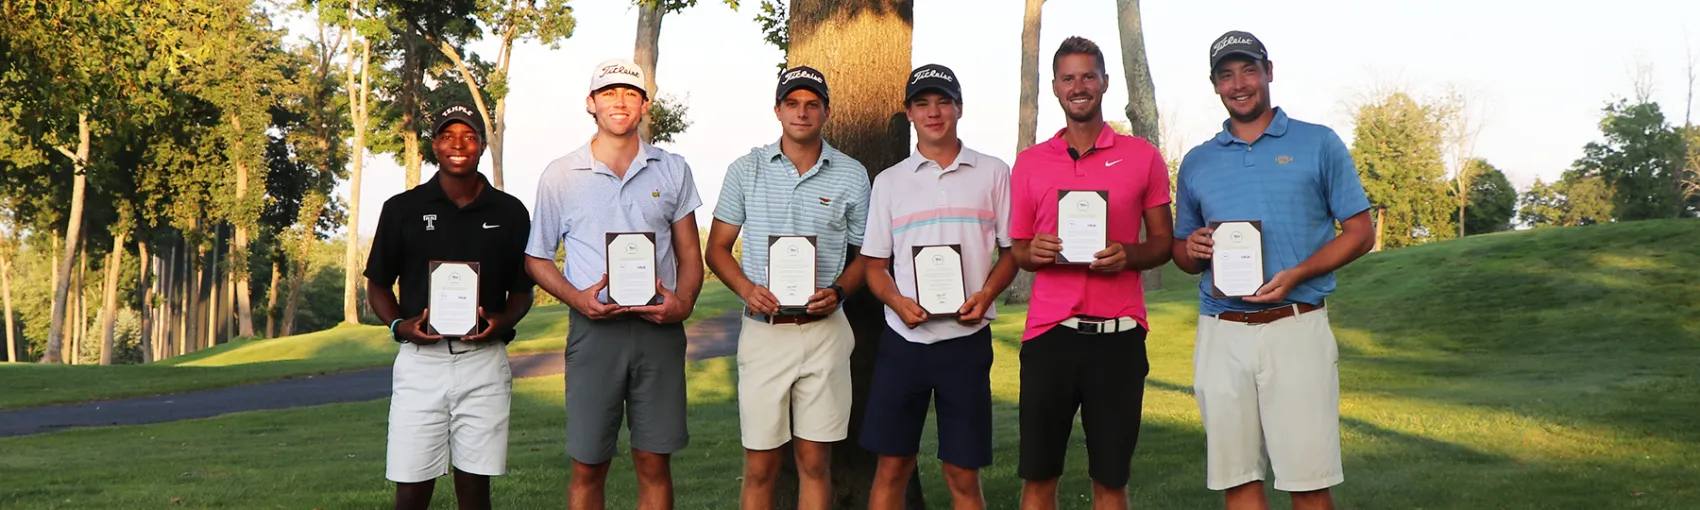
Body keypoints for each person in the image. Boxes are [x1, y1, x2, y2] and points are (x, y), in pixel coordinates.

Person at [1172, 31, 1375, 510]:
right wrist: (1194, 247)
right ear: (1214, 84)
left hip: (1295, 324)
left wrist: (1300, 271)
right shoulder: (1198, 161)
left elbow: (1360, 232)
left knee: (1308, 482)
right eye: (1227, 75)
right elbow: (1181, 253)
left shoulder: (1318, 143)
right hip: (1221, 331)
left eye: (1248, 70)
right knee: (1238, 479)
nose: (1239, 83)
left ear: (1268, 72)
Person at [524, 58, 704, 510]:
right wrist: (577, 300)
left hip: (659, 331)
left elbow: (689, 254)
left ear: (645, 104)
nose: (619, 102)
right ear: (591, 103)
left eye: (630, 93)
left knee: (653, 461)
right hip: (594, 332)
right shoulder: (561, 174)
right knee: (588, 464)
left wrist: (682, 304)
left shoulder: (673, 169)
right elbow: (536, 257)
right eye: (608, 93)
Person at [1008, 36, 1174, 510]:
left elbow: (1162, 242)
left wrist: (1130, 255)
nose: (1078, 86)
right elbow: (1017, 248)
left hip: (1118, 338)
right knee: (1038, 478)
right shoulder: (1030, 163)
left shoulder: (1141, 156)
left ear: (1104, 82)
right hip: (1049, 337)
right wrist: (1032, 251)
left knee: (1111, 481)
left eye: (1088, 76)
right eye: (1068, 78)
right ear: (1056, 89)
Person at [703, 65, 870, 510]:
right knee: (760, 466)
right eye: (792, 104)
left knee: (816, 462)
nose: (802, 112)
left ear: (826, 112)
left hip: (825, 331)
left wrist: (839, 291)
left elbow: (867, 258)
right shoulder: (745, 169)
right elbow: (717, 249)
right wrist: (746, 289)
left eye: (812, 104)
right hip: (764, 331)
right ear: (777, 110)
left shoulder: (852, 175)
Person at [857, 64, 1014, 510]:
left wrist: (987, 295)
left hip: (966, 342)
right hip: (904, 342)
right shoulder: (889, 182)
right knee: (892, 467)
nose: (934, 112)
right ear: (909, 113)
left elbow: (1012, 252)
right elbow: (873, 266)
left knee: (962, 473)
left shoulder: (993, 172)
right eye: (922, 103)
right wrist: (897, 301)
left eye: (943, 101)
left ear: (959, 108)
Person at [366, 102, 535, 510]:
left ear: (481, 146)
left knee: (476, 489)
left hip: (484, 362)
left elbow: (522, 291)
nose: (458, 145)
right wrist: (398, 326)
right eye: (448, 136)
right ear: (434, 146)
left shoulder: (510, 212)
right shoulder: (402, 209)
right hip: (420, 364)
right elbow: (378, 285)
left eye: (469, 137)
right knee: (411, 485)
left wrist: (503, 322)